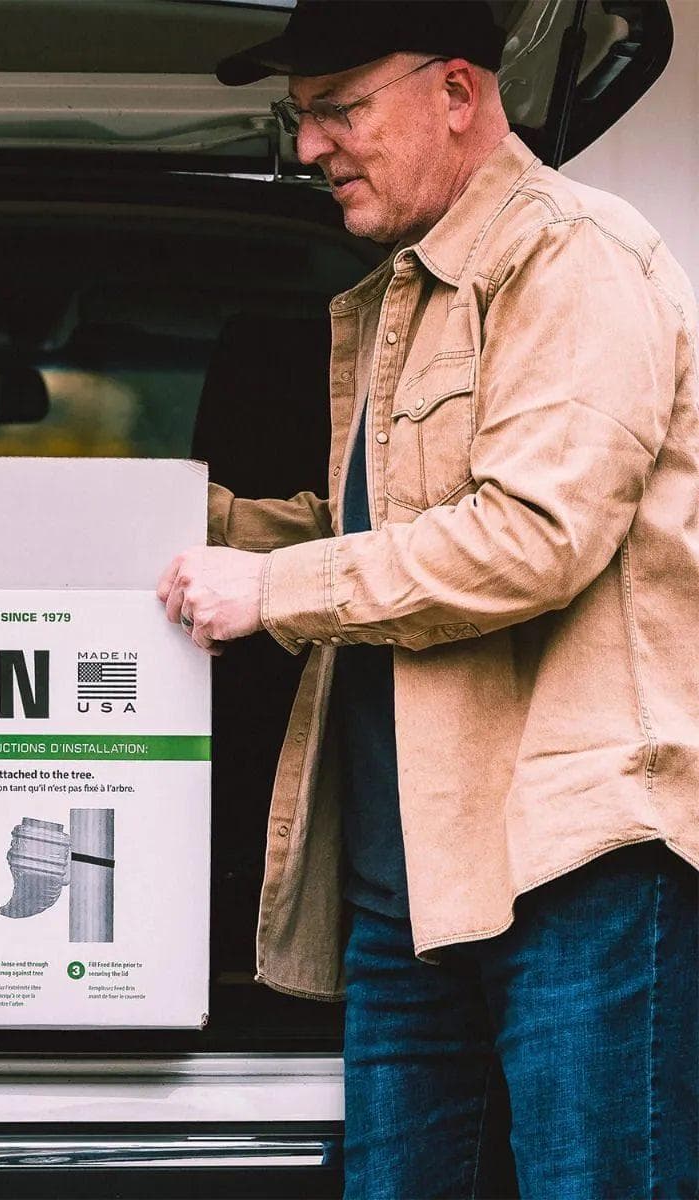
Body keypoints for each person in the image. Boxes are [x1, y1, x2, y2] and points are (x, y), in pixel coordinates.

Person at [157, 2, 698, 1196]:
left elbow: (532, 536)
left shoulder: (570, 257)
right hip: (412, 891)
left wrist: (274, 588)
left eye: (338, 109)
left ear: (457, 91)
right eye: (299, 117)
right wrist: (162, 524)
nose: (309, 149)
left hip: (571, 873)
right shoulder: (404, 290)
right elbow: (388, 537)